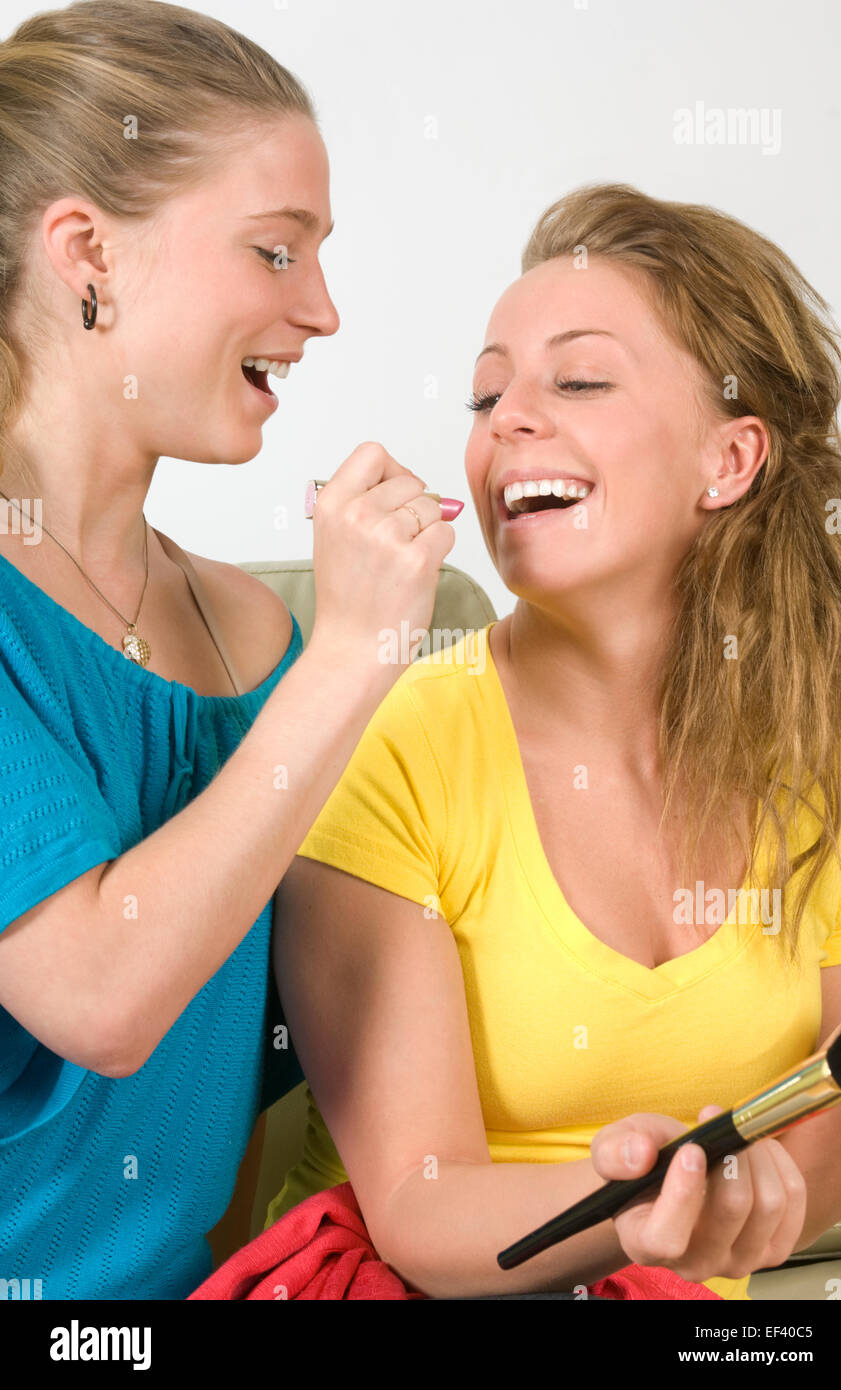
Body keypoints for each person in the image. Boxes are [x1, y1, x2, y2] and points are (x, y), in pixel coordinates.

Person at [270, 182, 841, 1301]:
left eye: (577, 379)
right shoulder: (392, 746)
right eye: (486, 392)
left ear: (728, 461)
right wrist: (658, 1207)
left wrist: (733, 1215)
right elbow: (420, 1205)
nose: (506, 420)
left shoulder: (821, 741)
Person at [0, 0, 455, 1299]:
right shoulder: (311, 652)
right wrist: (355, 650)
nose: (319, 308)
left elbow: (262, 1067)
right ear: (86, 252)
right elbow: (101, 995)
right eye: (274, 250)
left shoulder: (254, 632)